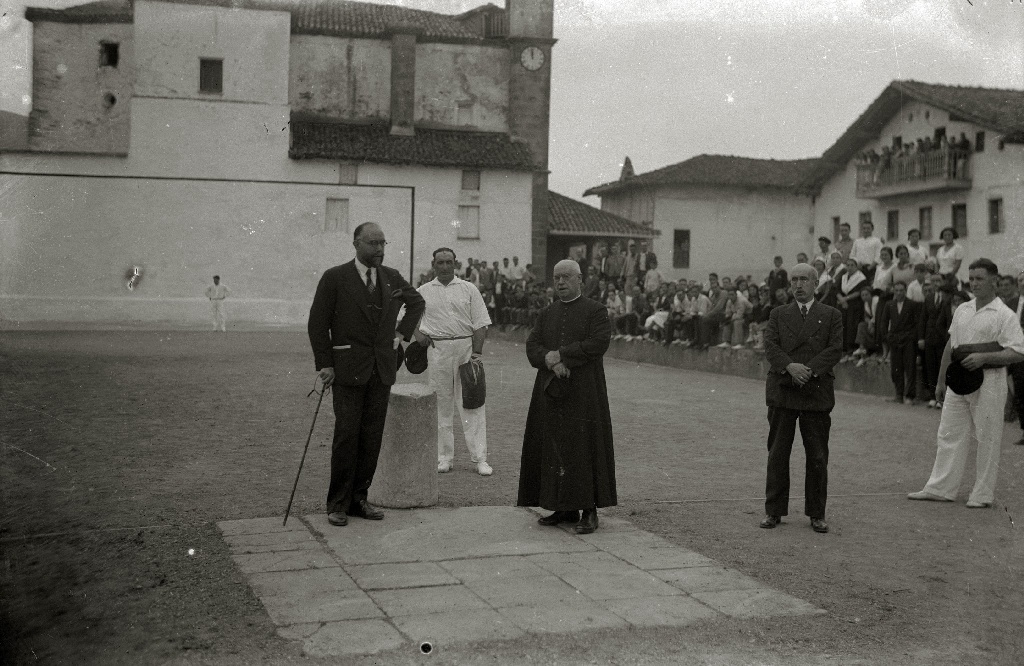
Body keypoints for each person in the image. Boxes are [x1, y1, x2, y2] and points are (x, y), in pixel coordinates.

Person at [308, 223, 426, 527]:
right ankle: (338, 503)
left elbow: (417, 303)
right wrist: (325, 364)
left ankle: (359, 499)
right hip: (347, 370)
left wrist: (400, 334)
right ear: (356, 244)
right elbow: (318, 323)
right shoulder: (335, 278)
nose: (379, 249)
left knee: (371, 438)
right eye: (373, 243)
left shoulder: (392, 277)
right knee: (347, 436)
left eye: (383, 243)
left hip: (381, 370)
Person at [908, 259, 1024, 508]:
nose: (974, 283)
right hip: (958, 379)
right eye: (971, 278)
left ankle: (982, 494)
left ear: (994, 281)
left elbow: (1017, 352)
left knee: (987, 437)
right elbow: (952, 345)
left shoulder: (1004, 314)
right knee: (949, 432)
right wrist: (941, 381)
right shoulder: (963, 309)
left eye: (979, 278)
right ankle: (941, 488)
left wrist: (984, 358)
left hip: (990, 380)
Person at [518, 259, 616, 534]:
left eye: (566, 277)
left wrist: (562, 355)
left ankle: (589, 510)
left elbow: (598, 343)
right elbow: (532, 346)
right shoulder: (547, 313)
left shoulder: (596, 311)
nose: (560, 282)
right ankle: (563, 507)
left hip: (584, 392)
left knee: (584, 448)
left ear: (580, 279)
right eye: (556, 278)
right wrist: (551, 362)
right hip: (551, 391)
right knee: (555, 447)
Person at [760, 263, 844, 534]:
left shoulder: (831, 315)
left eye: (804, 280)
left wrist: (808, 370)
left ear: (816, 284)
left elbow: (835, 349)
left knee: (817, 456)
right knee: (778, 453)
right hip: (783, 389)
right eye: (794, 280)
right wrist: (790, 366)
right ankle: (774, 510)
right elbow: (770, 346)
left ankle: (817, 513)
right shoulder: (778, 314)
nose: (798, 285)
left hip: (815, 390)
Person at [416, 248, 493, 476]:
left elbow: (480, 323)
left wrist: (476, 354)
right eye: (440, 262)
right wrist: (418, 335)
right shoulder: (423, 291)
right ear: (434, 265)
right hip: (437, 351)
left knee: (472, 404)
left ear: (455, 264)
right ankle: (444, 457)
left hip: (465, 350)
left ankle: (480, 459)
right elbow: (405, 316)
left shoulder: (469, 289)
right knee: (441, 404)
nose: (445, 267)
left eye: (449, 262)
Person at [884, 281, 923, 404]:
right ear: (894, 291)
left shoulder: (912, 304)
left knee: (910, 368)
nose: (899, 293)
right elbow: (883, 323)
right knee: (896, 368)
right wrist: (888, 337)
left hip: (908, 340)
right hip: (895, 340)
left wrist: (912, 337)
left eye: (901, 290)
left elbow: (917, 323)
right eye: (896, 290)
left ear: (905, 291)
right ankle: (899, 394)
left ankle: (910, 396)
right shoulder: (889, 305)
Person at [919, 276, 952, 408]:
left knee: (942, 367)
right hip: (930, 337)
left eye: (938, 281)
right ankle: (933, 397)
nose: (936, 284)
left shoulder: (948, 298)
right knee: (930, 367)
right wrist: (921, 338)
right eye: (933, 281)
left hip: (943, 338)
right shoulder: (929, 298)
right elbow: (923, 319)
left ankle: (943, 398)